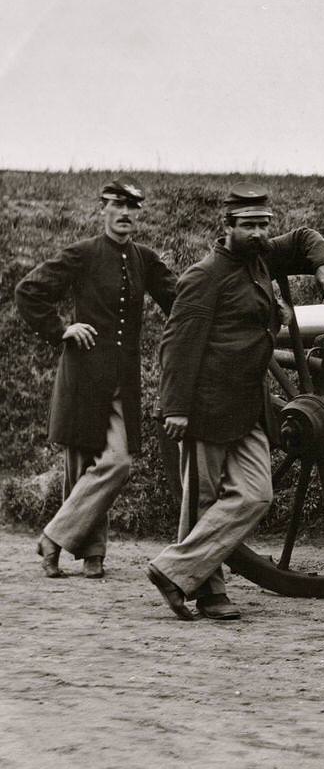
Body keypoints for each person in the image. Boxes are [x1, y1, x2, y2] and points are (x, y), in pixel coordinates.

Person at [145, 184, 324, 621]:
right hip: (207, 407)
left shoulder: (261, 258)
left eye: (264, 225)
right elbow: (177, 346)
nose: (258, 233)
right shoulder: (204, 277)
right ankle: (209, 593)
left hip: (251, 406)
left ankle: (174, 570)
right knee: (201, 500)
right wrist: (175, 408)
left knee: (255, 495)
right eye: (249, 225)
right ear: (228, 227)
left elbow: (304, 238)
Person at [15, 178, 178, 579]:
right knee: (81, 463)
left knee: (115, 464)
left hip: (122, 379)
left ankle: (53, 537)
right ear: (102, 209)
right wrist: (61, 329)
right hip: (83, 374)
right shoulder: (82, 254)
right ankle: (93, 555)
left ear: (138, 214)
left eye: (131, 208)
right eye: (116, 206)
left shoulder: (144, 259)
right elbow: (29, 291)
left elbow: (180, 298)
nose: (124, 214)